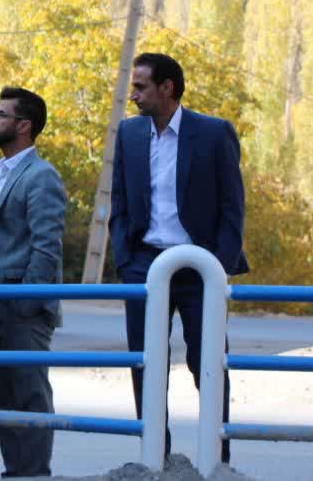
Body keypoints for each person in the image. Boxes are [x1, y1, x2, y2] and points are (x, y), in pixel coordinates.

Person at [110, 53, 248, 464]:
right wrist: (125, 260)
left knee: (208, 363)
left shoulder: (213, 133)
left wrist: (218, 268)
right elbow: (119, 200)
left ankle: (217, 459)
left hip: (200, 268)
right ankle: (154, 457)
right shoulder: (129, 133)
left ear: (167, 87)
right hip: (144, 265)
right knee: (145, 364)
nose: (133, 95)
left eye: (140, 87)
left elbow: (233, 207)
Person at [0, 87, 66, 478]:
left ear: (24, 126)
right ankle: (16, 472)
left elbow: (47, 247)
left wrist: (26, 302)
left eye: (0, 114)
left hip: (21, 305)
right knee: (7, 398)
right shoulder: (4, 175)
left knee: (28, 395)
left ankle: (32, 473)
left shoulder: (41, 176)